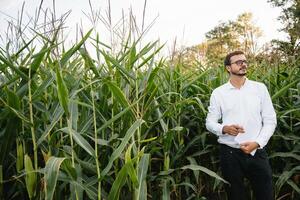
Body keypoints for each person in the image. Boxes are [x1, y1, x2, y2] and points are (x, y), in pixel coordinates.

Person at [205, 51, 277, 200]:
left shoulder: (259, 88)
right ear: (228, 68)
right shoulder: (218, 93)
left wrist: (257, 143)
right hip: (230, 154)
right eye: (238, 62)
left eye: (244, 61)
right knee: (235, 196)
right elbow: (210, 122)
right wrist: (223, 129)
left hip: (257, 151)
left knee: (266, 195)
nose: (243, 64)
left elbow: (270, 120)